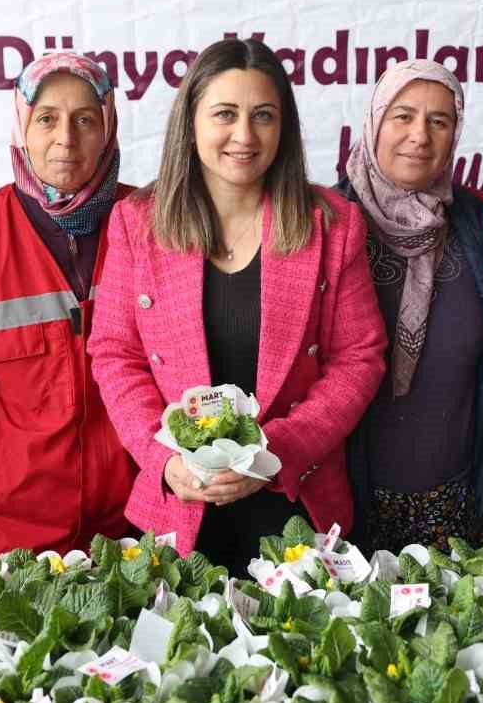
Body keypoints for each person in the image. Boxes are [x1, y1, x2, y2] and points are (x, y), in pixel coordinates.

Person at [89, 38, 386, 573]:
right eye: (225, 114)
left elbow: (358, 359)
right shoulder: (137, 222)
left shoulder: (333, 225)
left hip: (294, 505)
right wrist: (162, 459)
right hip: (178, 506)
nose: (245, 135)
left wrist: (275, 454)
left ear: (284, 128)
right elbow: (115, 354)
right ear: (191, 122)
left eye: (263, 116)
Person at [0, 52, 137, 561]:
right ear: (23, 126)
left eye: (85, 120)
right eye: (47, 119)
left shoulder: (150, 224)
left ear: (108, 128)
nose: (66, 138)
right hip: (11, 531)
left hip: (134, 525)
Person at [337, 60, 483, 552]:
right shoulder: (324, 221)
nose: (420, 136)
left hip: (455, 501)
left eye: (439, 121)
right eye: (402, 116)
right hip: (343, 501)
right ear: (375, 122)